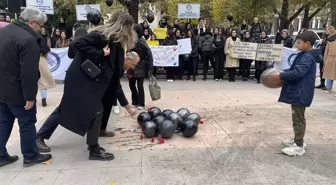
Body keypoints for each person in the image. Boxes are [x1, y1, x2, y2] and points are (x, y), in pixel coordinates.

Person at [35, 12, 139, 160]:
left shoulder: (116, 41)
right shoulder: (102, 35)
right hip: (81, 79)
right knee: (89, 110)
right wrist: (99, 53)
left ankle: (93, 143)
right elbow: (77, 43)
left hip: (90, 80)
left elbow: (114, 73)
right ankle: (93, 148)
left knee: (88, 109)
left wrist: (125, 104)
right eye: (129, 27)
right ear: (123, 25)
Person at [0, 7, 52, 167]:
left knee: (3, 122)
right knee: (27, 122)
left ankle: (1, 156)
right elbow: (28, 72)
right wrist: (29, 96)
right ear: (31, 22)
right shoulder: (28, 39)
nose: (40, 29)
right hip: (18, 91)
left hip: (2, 89)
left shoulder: (3, 31)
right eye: (40, 26)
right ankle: (30, 155)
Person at [269, 31, 321, 156]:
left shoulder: (307, 57)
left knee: (298, 118)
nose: (296, 45)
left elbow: (297, 73)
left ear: (308, 44)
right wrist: (282, 72)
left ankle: (299, 145)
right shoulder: (303, 55)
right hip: (298, 91)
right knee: (297, 116)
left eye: (299, 43)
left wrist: (280, 75)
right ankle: (297, 139)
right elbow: (293, 69)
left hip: (301, 93)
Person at [129, 24, 154, 110]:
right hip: (131, 67)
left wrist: (150, 68)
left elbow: (149, 55)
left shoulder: (142, 42)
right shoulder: (130, 41)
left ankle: (141, 103)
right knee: (131, 85)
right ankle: (134, 101)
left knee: (140, 85)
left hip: (140, 66)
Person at [39, 27, 56, 107]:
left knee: (37, 81)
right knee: (43, 80)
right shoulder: (41, 39)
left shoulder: (32, 38)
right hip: (41, 59)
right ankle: (43, 98)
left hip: (31, 60)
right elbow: (46, 51)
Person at [316, 25, 336, 90]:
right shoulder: (326, 37)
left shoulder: (333, 37)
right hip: (323, 54)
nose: (326, 31)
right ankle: (322, 83)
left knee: (330, 70)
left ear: (331, 30)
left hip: (330, 55)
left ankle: (327, 86)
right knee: (322, 68)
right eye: (326, 29)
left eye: (328, 29)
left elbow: (330, 46)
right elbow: (323, 44)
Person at [322, 26, 336, 96]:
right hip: (330, 57)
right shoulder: (328, 38)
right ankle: (328, 88)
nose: (327, 31)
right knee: (329, 73)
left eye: (328, 29)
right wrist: (325, 59)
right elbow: (326, 51)